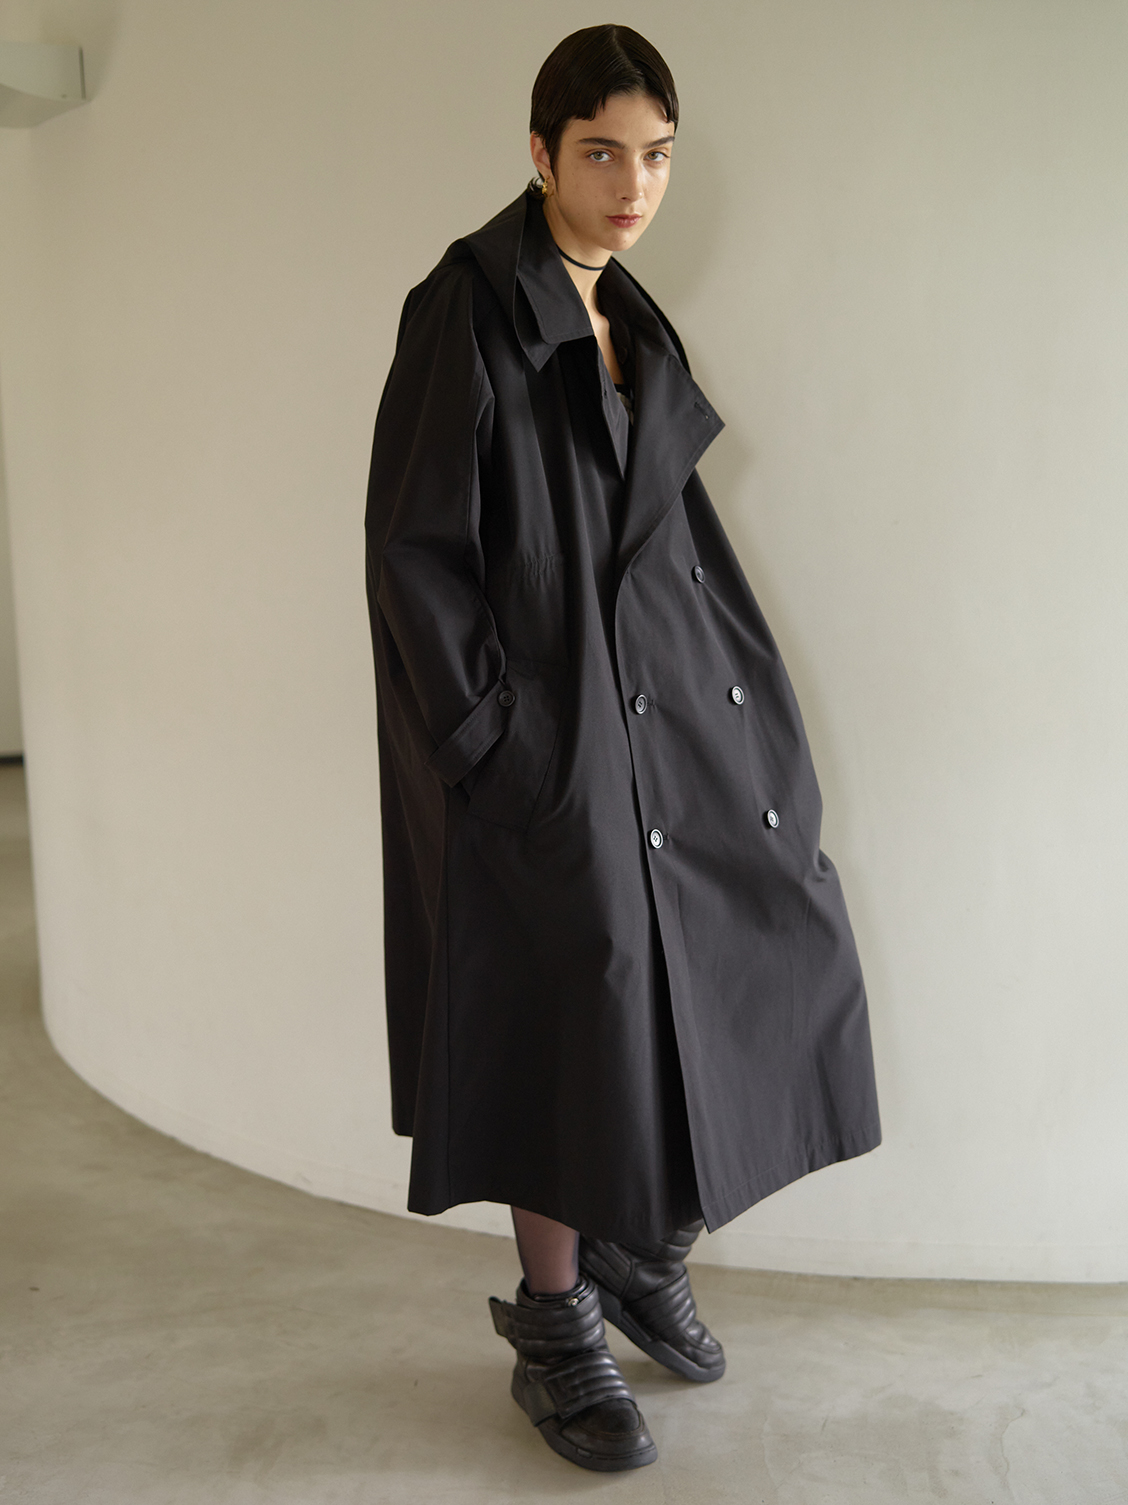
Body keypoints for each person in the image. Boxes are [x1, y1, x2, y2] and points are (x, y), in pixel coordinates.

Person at [365, 24, 881, 1473]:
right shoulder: (467, 305)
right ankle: (555, 1323)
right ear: (541, 153)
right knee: (566, 1011)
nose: (634, 184)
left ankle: (645, 1239)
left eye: (656, 155)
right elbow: (413, 550)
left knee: (754, 945)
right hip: (548, 737)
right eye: (602, 153)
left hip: (667, 714)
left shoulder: (626, 311)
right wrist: (494, 744)